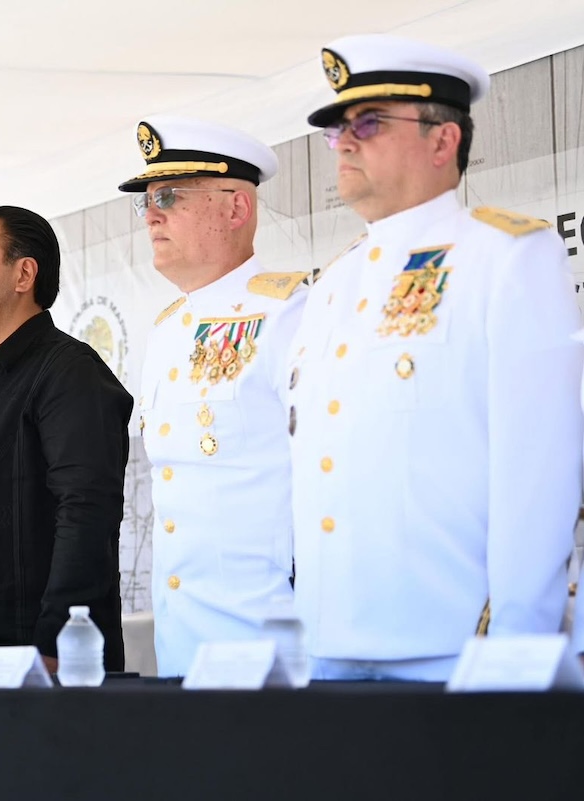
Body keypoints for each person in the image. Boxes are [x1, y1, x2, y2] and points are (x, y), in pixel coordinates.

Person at [289, 34, 584, 681]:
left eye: (367, 122)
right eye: (339, 127)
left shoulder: (505, 256)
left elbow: (539, 467)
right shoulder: (332, 284)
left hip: (453, 646)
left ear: (442, 140)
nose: (345, 141)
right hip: (331, 644)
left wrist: (514, 641)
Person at [114, 117, 305, 676]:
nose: (152, 215)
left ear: (235, 209)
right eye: (146, 202)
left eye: (169, 197)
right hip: (185, 638)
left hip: (271, 638)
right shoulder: (169, 328)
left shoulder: (288, 314)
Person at [0, 205, 132, 677]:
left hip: (38, 665)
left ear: (24, 274)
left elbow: (87, 513)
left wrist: (58, 639)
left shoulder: (69, 372)